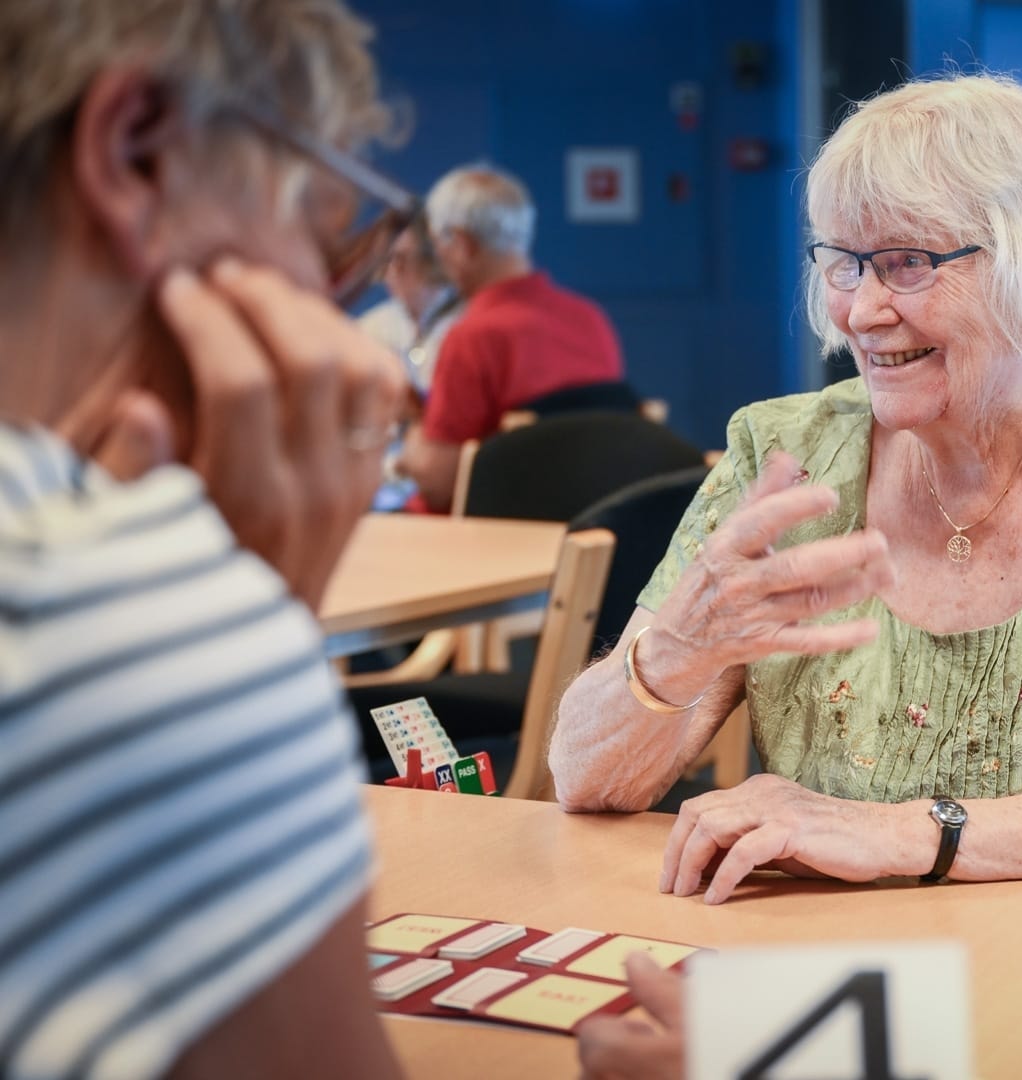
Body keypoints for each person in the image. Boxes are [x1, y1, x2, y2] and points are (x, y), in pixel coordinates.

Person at [550, 73, 1022, 910]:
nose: (861, 311)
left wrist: (901, 834)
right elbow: (586, 782)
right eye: (844, 262)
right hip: (823, 960)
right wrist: (676, 649)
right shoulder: (786, 453)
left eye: (908, 264)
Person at [0, 0, 409, 1076]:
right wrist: (238, 627)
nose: (321, 291)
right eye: (314, 218)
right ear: (137, 152)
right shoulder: (106, 609)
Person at [396, 164, 624, 511]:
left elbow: (439, 483)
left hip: (482, 541)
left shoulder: (473, 338)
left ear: (459, 245)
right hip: (585, 526)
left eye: (438, 241)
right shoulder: (591, 319)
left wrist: (413, 438)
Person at [355, 214, 461, 393]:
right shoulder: (372, 326)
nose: (391, 271)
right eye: (386, 260)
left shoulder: (465, 323)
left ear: (433, 261)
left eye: (401, 259)